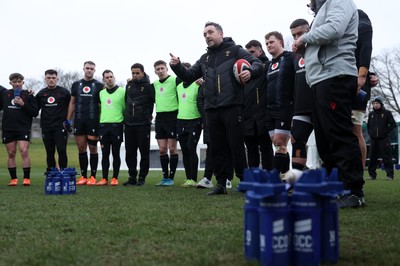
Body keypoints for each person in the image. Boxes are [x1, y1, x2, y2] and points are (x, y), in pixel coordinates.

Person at [170, 21, 263, 195]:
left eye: (210, 32)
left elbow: (257, 63)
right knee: (216, 147)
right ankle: (221, 183)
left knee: (236, 145)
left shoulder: (235, 51)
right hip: (211, 109)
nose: (207, 36)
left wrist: (251, 71)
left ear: (221, 34)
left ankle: (244, 180)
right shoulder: (204, 58)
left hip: (233, 105)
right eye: (204, 34)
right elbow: (189, 76)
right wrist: (176, 66)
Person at [293, 0, 365, 208]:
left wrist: (304, 38)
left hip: (335, 75)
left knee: (338, 133)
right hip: (319, 80)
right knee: (324, 138)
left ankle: (353, 190)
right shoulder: (321, 10)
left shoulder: (339, 1)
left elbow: (334, 29)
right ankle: (335, 187)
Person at [67, 61, 103, 186]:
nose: (89, 70)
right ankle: (83, 176)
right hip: (79, 121)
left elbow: (101, 105)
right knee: (81, 148)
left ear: (95, 70)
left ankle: (93, 177)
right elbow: (72, 103)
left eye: (91, 68)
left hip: (93, 121)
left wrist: (102, 121)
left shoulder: (99, 85)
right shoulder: (76, 84)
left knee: (93, 148)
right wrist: (68, 119)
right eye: (87, 68)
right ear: (83, 69)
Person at [265, 31, 296, 175]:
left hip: (285, 108)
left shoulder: (290, 58)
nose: (268, 45)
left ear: (280, 42)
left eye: (271, 42)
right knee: (278, 145)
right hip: (270, 110)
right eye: (266, 43)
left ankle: (273, 179)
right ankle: (286, 176)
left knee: (279, 142)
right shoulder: (269, 64)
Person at [0, 73, 39, 186]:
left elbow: (35, 112)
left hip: (23, 128)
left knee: (24, 151)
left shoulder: (29, 94)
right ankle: (14, 179)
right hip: (8, 128)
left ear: (23, 82)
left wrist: (23, 104)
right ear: (10, 83)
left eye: (19, 81)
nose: (17, 84)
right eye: (14, 82)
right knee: (11, 153)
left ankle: (26, 178)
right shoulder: (5, 94)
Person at [123, 63, 155, 186]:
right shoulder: (129, 85)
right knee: (130, 152)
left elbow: (154, 102)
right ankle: (132, 177)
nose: (135, 75)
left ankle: (142, 178)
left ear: (143, 73)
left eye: (137, 73)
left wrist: (148, 116)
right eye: (133, 73)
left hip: (143, 124)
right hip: (130, 124)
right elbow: (127, 102)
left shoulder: (149, 86)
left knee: (144, 152)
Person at [243, 40, 273, 170]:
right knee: (251, 148)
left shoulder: (268, 66)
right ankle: (253, 179)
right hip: (247, 117)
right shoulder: (243, 72)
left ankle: (269, 177)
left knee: (266, 147)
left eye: (252, 52)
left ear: (260, 51)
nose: (250, 55)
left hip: (264, 115)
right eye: (248, 53)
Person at [351, 9, 375, 169]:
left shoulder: (358, 16)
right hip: (339, 81)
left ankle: (358, 172)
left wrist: (364, 75)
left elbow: (365, 50)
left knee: (356, 130)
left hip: (357, 83)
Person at [289, 20, 314, 171]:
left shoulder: (321, 49)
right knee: (296, 139)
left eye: (301, 34)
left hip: (320, 105)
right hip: (301, 108)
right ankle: (297, 176)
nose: (297, 38)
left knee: (327, 143)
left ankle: (342, 180)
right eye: (294, 35)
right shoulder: (294, 56)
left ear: (310, 31)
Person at [36, 69, 71, 173]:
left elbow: (72, 106)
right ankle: (51, 172)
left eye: (53, 78)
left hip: (60, 127)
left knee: (61, 150)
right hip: (47, 127)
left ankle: (63, 172)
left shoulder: (64, 92)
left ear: (57, 78)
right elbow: (34, 110)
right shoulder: (41, 94)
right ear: (45, 79)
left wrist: (69, 121)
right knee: (50, 152)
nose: (51, 80)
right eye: (49, 78)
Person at [153, 60, 181, 186]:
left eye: (162, 68)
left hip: (173, 116)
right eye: (158, 69)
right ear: (155, 71)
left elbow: (187, 86)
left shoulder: (175, 80)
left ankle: (171, 177)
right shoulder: (154, 84)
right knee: (162, 150)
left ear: (166, 69)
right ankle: (165, 177)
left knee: (172, 148)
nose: (160, 71)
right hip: (160, 118)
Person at [95, 70, 125, 186]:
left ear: (114, 77)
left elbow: (125, 107)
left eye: (111, 76)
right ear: (104, 79)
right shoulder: (101, 93)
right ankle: (104, 178)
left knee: (116, 153)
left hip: (116, 126)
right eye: (106, 77)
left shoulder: (122, 91)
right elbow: (100, 109)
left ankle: (115, 178)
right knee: (105, 153)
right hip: (103, 126)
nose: (109, 79)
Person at [176, 62, 203, 188]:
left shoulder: (198, 84)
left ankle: (194, 178)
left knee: (191, 148)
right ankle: (188, 178)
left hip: (195, 120)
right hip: (181, 121)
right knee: (185, 150)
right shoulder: (179, 86)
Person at [367, 96, 397, 180]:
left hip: (384, 139)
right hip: (373, 139)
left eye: (377, 103)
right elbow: (368, 126)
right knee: (372, 157)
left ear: (381, 104)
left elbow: (393, 124)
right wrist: (370, 134)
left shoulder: (387, 113)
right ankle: (372, 175)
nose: (375, 105)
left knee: (387, 157)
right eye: (374, 103)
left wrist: (385, 132)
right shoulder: (371, 114)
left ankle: (390, 175)